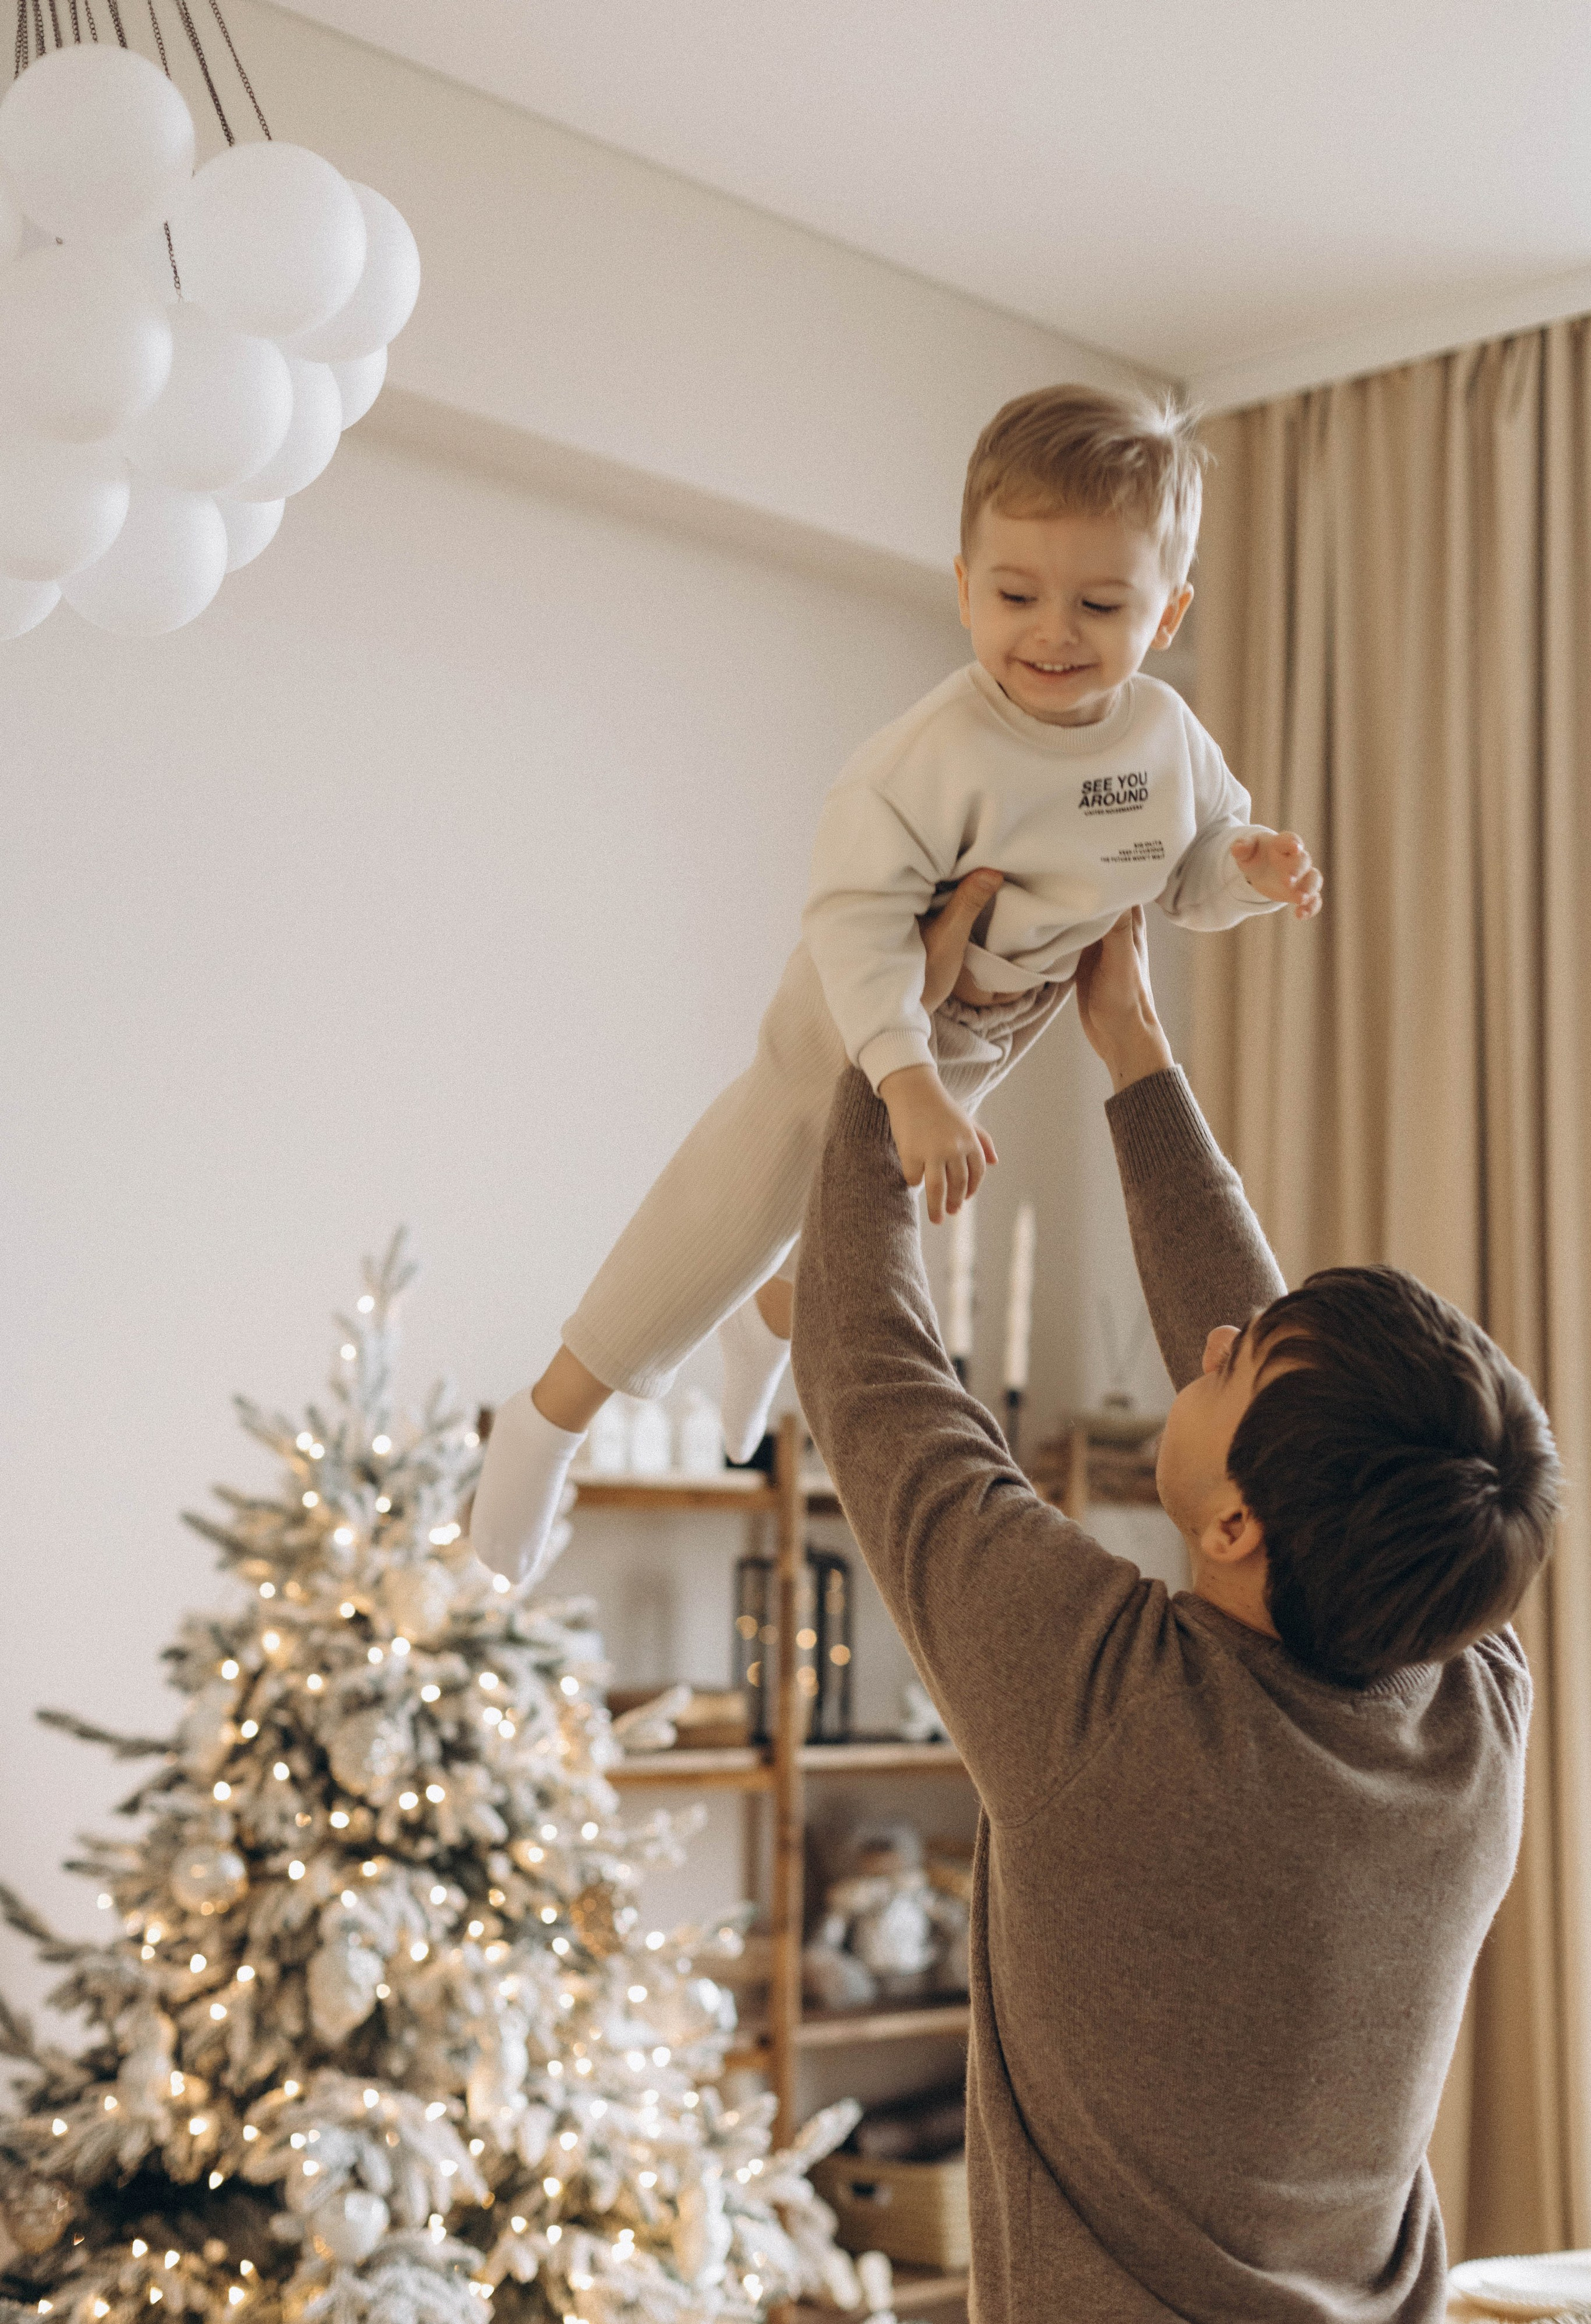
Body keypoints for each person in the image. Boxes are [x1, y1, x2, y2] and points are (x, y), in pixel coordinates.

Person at [789, 898, 1561, 2324]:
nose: (1209, 1344)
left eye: (1232, 1367)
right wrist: (1130, 1047)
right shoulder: (1473, 1700)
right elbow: (1288, 1413)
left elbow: (865, 1367)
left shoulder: (1106, 1711)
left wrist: (887, 1045)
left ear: (1235, 1532)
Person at [472, 384, 1323, 1588]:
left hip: (989, 1021)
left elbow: (1184, 865)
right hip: (860, 1009)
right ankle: (549, 1415)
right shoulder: (929, 760)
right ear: (964, 586)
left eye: (1100, 603)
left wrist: (1249, 867)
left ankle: (769, 1321)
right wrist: (906, 1072)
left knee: (844, 1215)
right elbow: (853, 920)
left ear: (1167, 611)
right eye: (1016, 595)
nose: (1052, 632)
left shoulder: (1163, 739)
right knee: (735, 1198)